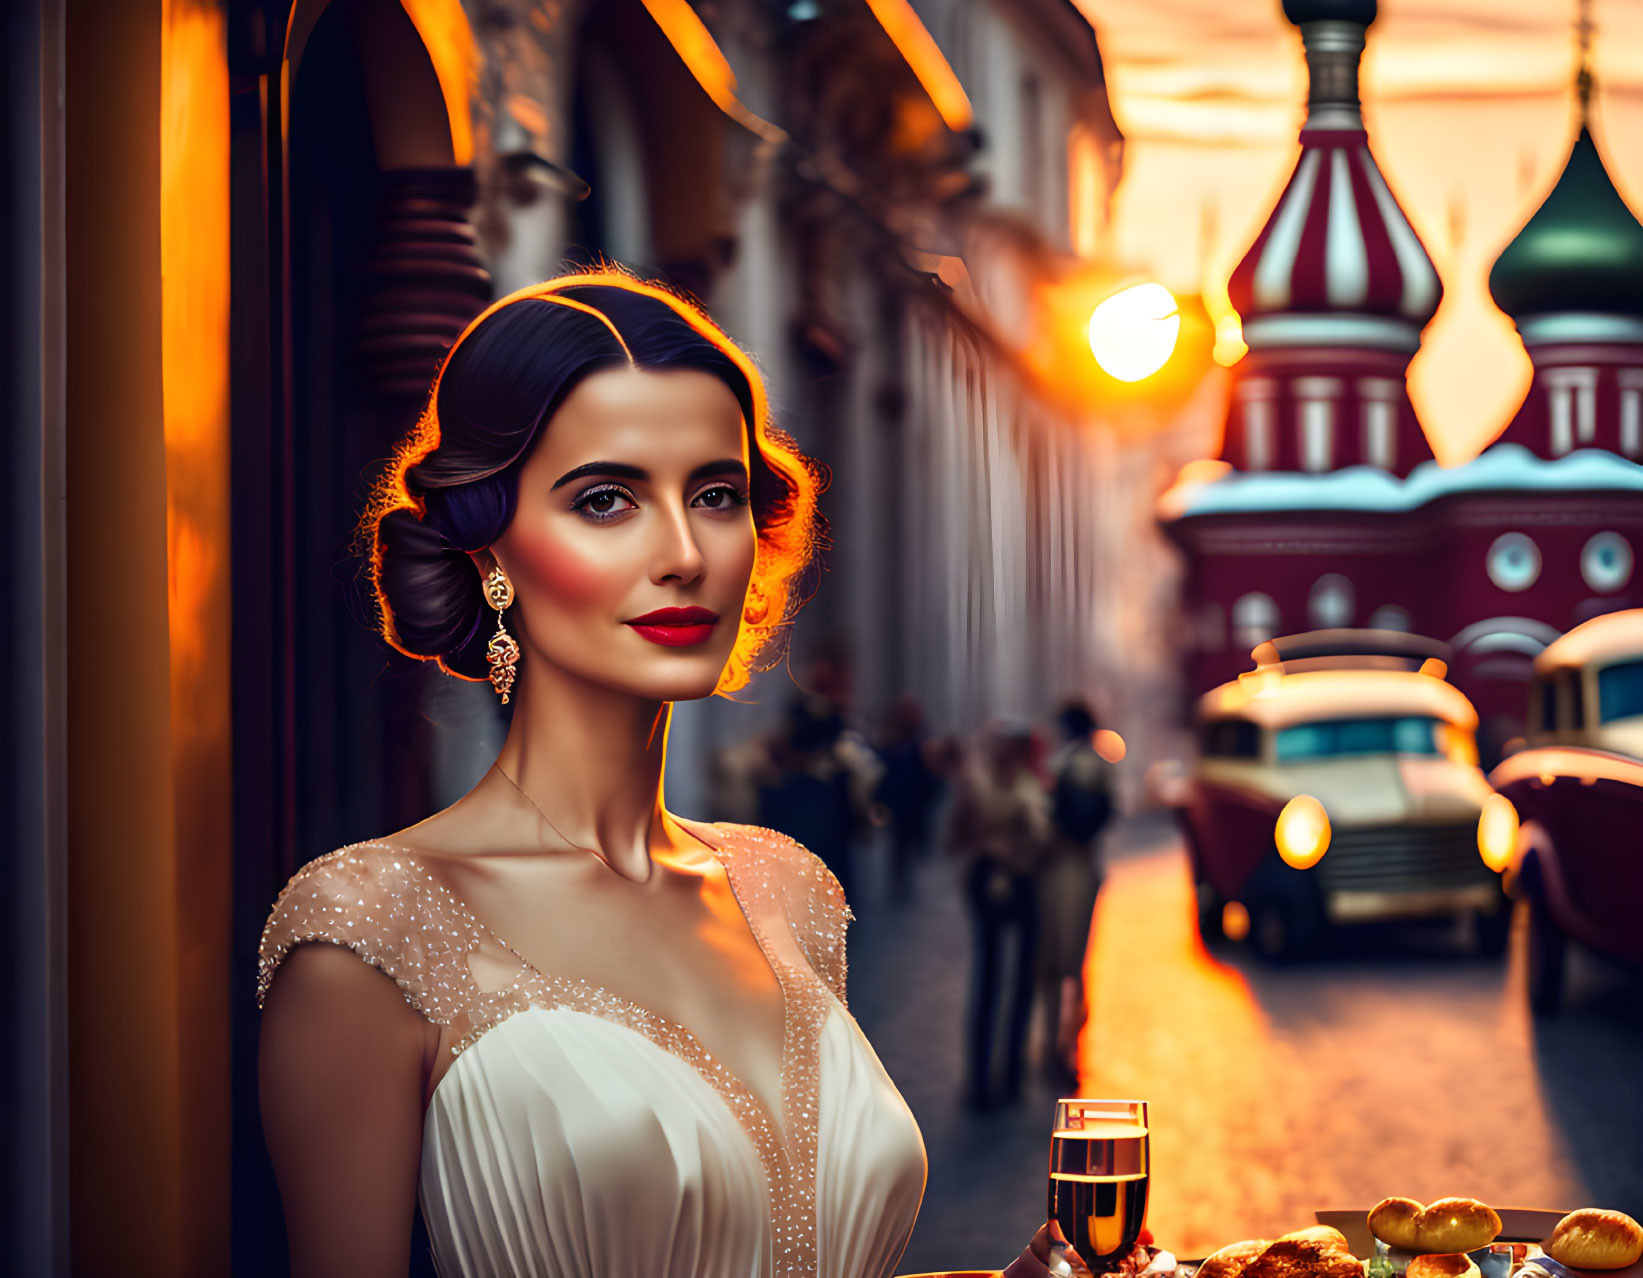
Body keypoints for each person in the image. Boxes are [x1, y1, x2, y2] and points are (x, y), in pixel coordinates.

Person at [255, 269, 1066, 1277]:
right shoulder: (368, 930)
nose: (683, 552)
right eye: (606, 500)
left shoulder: (787, 888)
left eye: (714, 495)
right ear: (488, 546)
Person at [950, 721, 1052, 1110]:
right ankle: (979, 1081)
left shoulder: (1032, 784)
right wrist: (991, 846)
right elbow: (959, 836)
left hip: (1024, 880)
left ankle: (1012, 1074)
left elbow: (1044, 835)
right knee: (989, 976)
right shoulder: (977, 785)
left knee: (1022, 978)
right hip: (989, 878)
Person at [1039, 700, 1115, 1087]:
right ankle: (1060, 1043)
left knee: (1062, 965)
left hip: (1067, 867)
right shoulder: (1090, 761)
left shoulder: (1076, 763)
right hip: (1074, 868)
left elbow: (1084, 817)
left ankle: (1062, 1045)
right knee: (1065, 964)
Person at [873, 694, 943, 905]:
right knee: (899, 845)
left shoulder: (921, 740)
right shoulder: (892, 739)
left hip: (914, 802)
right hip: (898, 800)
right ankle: (899, 883)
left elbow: (930, 773)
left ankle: (905, 884)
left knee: (909, 843)